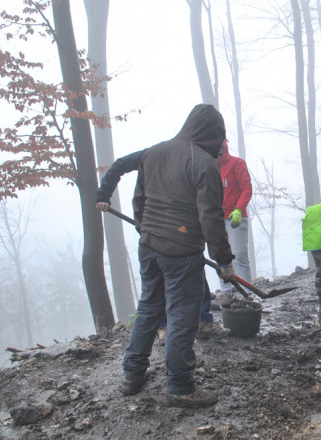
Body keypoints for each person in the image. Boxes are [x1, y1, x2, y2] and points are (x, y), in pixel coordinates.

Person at [118, 103, 234, 408]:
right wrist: (224, 260)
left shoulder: (154, 152)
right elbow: (211, 217)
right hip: (181, 254)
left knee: (149, 308)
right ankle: (180, 387)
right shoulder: (204, 163)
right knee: (182, 317)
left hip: (149, 246)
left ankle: (132, 374)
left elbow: (139, 201)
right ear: (213, 134)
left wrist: (149, 232)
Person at [96, 151, 229, 339]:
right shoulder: (158, 154)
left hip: (185, 233)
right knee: (160, 283)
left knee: (197, 273)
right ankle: (164, 326)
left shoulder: (194, 158)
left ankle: (203, 321)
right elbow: (120, 164)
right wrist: (103, 194)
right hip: (156, 230)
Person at [212, 140, 253, 307]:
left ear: (225, 147)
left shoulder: (237, 163)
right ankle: (226, 293)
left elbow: (246, 188)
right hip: (216, 219)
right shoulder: (209, 167)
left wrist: (239, 208)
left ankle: (248, 293)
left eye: (220, 148)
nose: (219, 152)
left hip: (237, 217)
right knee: (220, 256)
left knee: (239, 254)